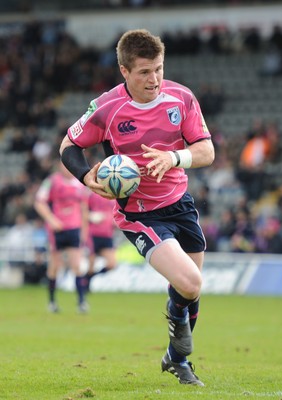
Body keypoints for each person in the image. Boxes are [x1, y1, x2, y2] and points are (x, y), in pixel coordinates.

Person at [59, 29, 214, 386]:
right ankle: (180, 352)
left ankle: (177, 358)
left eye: (159, 69)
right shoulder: (107, 108)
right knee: (190, 282)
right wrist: (86, 178)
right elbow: (69, 145)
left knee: (191, 291)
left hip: (180, 203)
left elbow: (207, 151)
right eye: (144, 72)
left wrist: (174, 157)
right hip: (138, 212)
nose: (155, 79)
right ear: (124, 71)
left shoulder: (181, 98)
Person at [34, 161, 89, 313]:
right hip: (57, 229)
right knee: (55, 266)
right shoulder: (51, 181)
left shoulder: (80, 183)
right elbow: (39, 203)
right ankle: (52, 302)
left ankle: (81, 302)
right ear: (60, 166)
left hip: (74, 228)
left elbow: (84, 208)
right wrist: (51, 220)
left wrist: (84, 230)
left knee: (76, 265)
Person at [84, 191, 117, 291]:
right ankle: (85, 285)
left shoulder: (114, 194)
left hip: (107, 234)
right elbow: (82, 211)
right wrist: (91, 216)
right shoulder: (91, 194)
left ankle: (89, 277)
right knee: (91, 265)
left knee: (112, 264)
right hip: (93, 234)